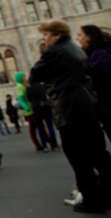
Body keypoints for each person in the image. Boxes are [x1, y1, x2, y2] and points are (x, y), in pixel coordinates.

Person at [30, 19, 111, 214]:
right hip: (88, 105)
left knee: (78, 156)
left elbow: (35, 75)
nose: (44, 38)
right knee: (99, 154)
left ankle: (91, 200)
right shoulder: (76, 49)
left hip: (69, 109)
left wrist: (48, 79)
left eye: (47, 34)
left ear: (57, 35)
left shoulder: (53, 52)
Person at [77, 24, 111, 142]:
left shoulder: (99, 54)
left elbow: (100, 79)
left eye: (80, 35)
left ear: (89, 37)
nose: (77, 38)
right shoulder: (92, 53)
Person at [26, 79, 59, 151]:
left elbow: (29, 99)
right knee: (50, 127)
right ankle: (55, 145)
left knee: (40, 128)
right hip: (46, 107)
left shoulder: (29, 88)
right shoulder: (41, 86)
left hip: (37, 108)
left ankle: (44, 146)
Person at [15, 72, 44, 151]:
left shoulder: (23, 85)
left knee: (33, 129)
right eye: (23, 76)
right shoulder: (20, 86)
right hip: (29, 110)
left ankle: (38, 145)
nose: (25, 77)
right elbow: (21, 99)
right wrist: (26, 107)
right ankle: (49, 141)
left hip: (30, 109)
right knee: (39, 127)